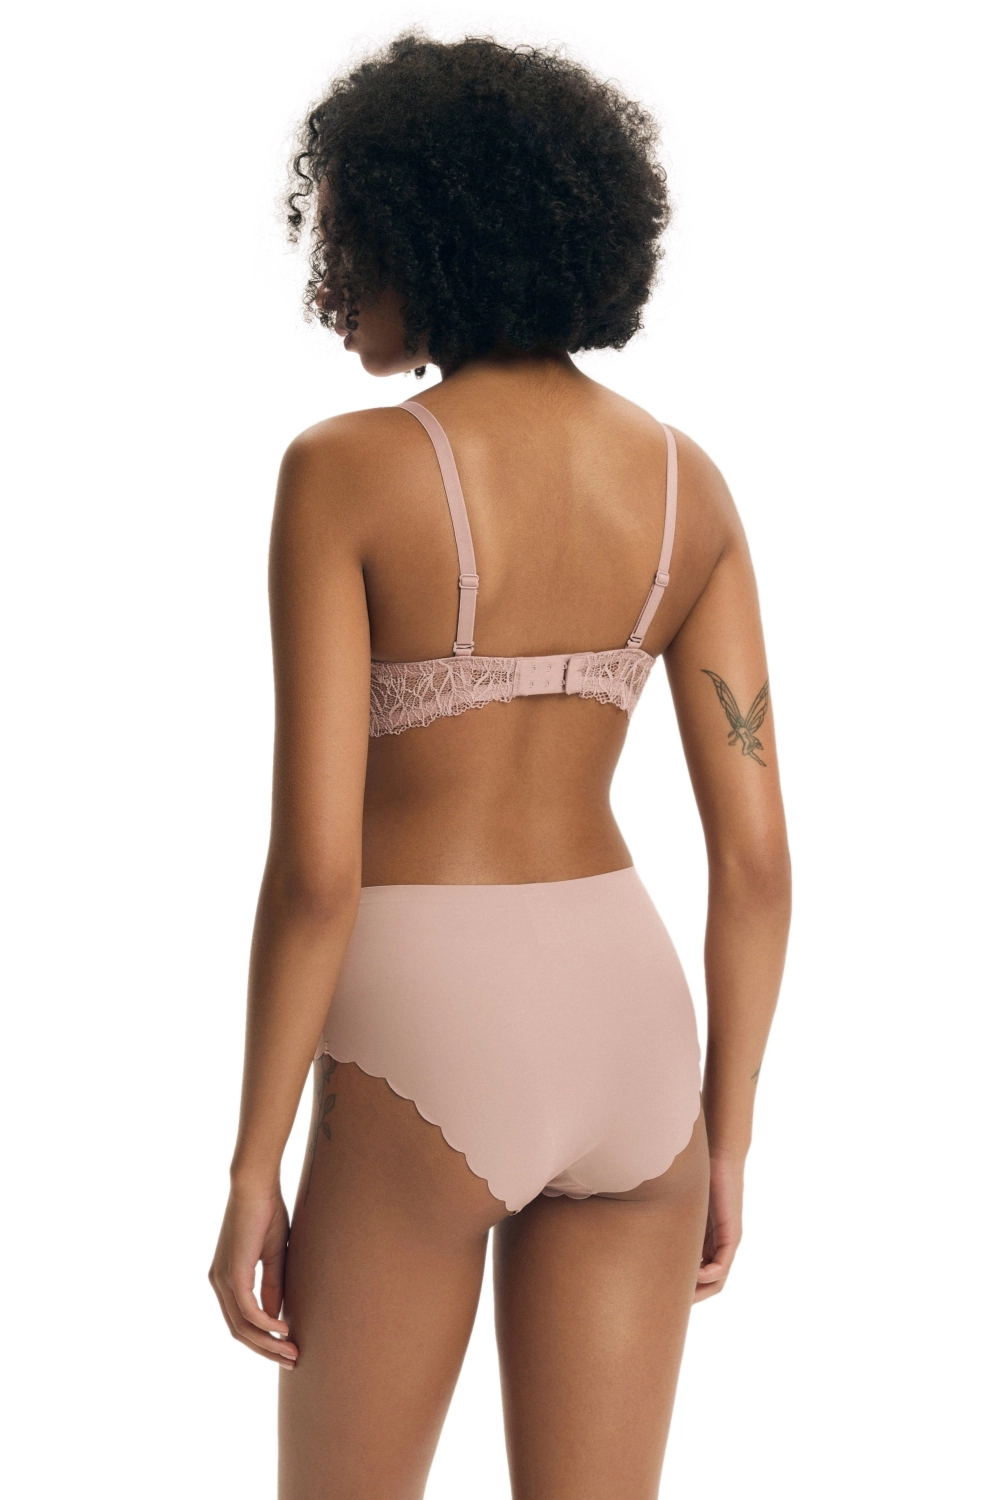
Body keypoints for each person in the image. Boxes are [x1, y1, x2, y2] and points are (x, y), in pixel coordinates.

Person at [210, 34, 791, 1499]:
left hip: (426, 1021)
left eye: (350, 233)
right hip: (634, 1034)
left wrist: (251, 1165)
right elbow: (758, 864)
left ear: (430, 235)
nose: (336, 273)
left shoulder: (344, 470)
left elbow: (318, 871)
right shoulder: (690, 486)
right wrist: (726, 1136)